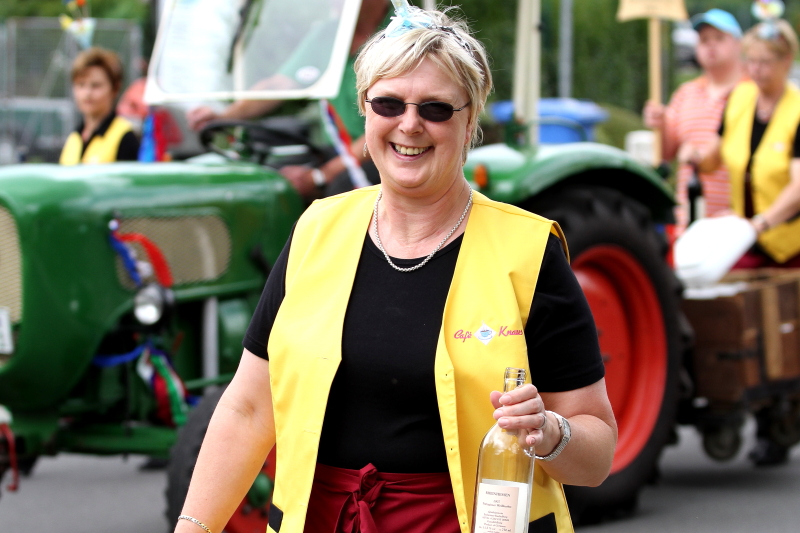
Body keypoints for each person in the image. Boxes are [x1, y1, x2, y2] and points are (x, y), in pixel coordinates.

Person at [173, 6, 617, 533]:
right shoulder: (316, 229)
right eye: (388, 103)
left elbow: (597, 454)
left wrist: (550, 432)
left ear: (469, 122)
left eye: (435, 108)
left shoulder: (528, 251)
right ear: (365, 110)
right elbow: (248, 409)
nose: (409, 124)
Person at [691, 18, 800, 465]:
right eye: (751, 61)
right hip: (746, 239)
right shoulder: (740, 100)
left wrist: (763, 223)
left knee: (785, 330)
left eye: (766, 62)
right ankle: (744, 401)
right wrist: (696, 154)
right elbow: (718, 153)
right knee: (739, 318)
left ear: (787, 61)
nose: (756, 70)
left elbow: (797, 185)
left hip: (788, 241)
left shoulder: (797, 110)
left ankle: (781, 417)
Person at [186, 0, 391, 200]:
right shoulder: (331, 34)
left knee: (340, 192)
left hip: (384, 149)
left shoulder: (399, 32)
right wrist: (222, 117)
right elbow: (279, 85)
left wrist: (321, 176)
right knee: (266, 180)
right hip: (336, 149)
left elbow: (388, 126)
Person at [643, 9, 744, 231]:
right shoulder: (685, 93)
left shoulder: (751, 92)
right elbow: (665, 155)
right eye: (704, 39)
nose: (711, 45)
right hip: (688, 222)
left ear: (739, 44)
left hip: (737, 224)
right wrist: (660, 125)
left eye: (719, 38)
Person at [60, 47, 140, 165]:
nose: (87, 93)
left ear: (115, 89)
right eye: (81, 85)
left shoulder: (125, 137)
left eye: (96, 85)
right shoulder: (73, 138)